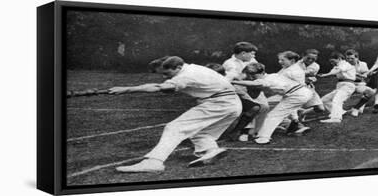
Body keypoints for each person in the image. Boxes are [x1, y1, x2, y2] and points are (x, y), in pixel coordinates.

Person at [112, 56, 242, 172]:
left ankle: (154, 162)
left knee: (174, 127)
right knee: (201, 133)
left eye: (167, 73)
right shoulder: (194, 68)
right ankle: (211, 150)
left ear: (178, 67)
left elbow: (158, 87)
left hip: (220, 103)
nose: (165, 77)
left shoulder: (186, 75)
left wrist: (126, 89)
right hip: (234, 104)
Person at [232, 62, 313, 144]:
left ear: (262, 72)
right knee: (280, 111)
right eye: (250, 75)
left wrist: (234, 82)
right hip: (301, 93)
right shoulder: (273, 75)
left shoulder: (265, 80)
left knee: (273, 116)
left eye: (254, 74)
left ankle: (263, 138)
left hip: (297, 95)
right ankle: (293, 125)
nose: (252, 77)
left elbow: (256, 83)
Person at [222, 42, 270, 141]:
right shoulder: (229, 64)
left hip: (253, 87)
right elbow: (233, 79)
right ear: (243, 53)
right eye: (252, 53)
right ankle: (242, 131)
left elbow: (258, 70)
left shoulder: (251, 59)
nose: (253, 56)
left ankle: (256, 131)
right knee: (251, 108)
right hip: (238, 90)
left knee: (265, 107)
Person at [205, 63, 262, 141]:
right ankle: (209, 133)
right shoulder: (209, 81)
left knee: (254, 107)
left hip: (233, 98)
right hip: (217, 99)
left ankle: (235, 132)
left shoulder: (236, 78)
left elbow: (249, 94)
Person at [317, 52, 357, 123]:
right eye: (331, 62)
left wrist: (325, 75)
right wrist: (322, 74)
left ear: (339, 58)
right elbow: (333, 71)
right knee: (324, 100)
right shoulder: (337, 66)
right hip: (341, 85)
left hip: (348, 85)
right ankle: (340, 112)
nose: (332, 63)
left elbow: (338, 70)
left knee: (337, 100)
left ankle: (336, 118)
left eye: (333, 61)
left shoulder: (345, 64)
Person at [345, 49, 370, 113]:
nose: (349, 60)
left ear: (357, 58)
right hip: (349, 84)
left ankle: (360, 108)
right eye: (347, 58)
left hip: (360, 83)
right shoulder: (344, 65)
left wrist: (359, 75)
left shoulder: (363, 64)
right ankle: (338, 111)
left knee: (367, 92)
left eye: (352, 58)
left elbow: (366, 75)